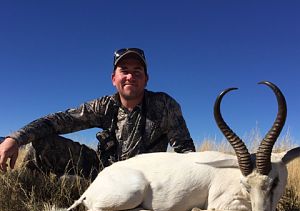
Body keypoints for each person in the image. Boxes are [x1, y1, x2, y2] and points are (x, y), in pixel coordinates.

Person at [0, 48, 195, 180]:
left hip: (147, 181)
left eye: (137, 72)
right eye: (124, 70)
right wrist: (15, 139)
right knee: (41, 145)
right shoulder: (104, 105)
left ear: (146, 79)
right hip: (103, 175)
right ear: (114, 78)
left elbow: (186, 153)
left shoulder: (164, 104)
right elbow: (58, 120)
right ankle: (29, 197)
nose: (130, 76)